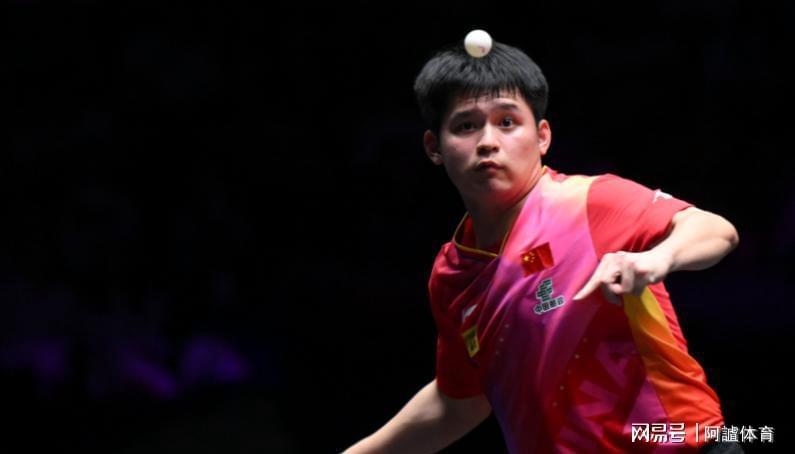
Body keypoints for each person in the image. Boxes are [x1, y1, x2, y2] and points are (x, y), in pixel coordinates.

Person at [345, 35, 740, 453]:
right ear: (434, 147)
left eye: (507, 122)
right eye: (466, 126)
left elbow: (715, 229)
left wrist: (658, 259)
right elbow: (458, 403)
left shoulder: (587, 201)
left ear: (542, 136)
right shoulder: (452, 274)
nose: (488, 141)